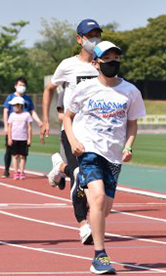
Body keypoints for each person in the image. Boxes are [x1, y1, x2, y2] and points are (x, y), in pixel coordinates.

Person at [64, 41, 146, 274]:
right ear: (95, 63)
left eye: (115, 58)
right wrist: (73, 142)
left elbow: (132, 123)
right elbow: (67, 118)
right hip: (88, 149)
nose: (112, 62)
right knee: (98, 199)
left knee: (105, 208)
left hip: (113, 155)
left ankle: (81, 181)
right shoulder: (85, 88)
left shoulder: (130, 91)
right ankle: (100, 256)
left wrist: (129, 146)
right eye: (106, 59)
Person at [41, 19, 103, 245]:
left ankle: (59, 167)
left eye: (97, 34)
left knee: (94, 183)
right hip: (72, 129)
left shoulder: (104, 63)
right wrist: (46, 119)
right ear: (79, 39)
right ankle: (83, 226)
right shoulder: (68, 65)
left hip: (96, 132)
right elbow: (49, 89)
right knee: (80, 177)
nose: (94, 39)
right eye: (90, 35)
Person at [1, 77, 42, 178]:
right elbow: (6, 111)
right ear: (15, 86)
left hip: (23, 130)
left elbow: (32, 111)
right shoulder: (10, 97)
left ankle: (21, 171)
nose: (22, 87)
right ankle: (6, 170)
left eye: (23, 85)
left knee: (23, 153)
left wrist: (39, 121)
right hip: (13, 128)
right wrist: (6, 126)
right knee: (9, 150)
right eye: (20, 85)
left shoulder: (27, 99)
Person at [6, 96, 33, 180]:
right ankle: (16, 172)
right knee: (15, 156)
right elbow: (9, 127)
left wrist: (29, 139)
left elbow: (29, 127)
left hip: (23, 138)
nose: (14, 107)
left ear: (20, 105)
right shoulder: (12, 115)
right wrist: (9, 138)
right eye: (13, 105)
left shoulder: (27, 115)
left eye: (15, 105)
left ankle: (22, 172)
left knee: (22, 156)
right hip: (14, 139)